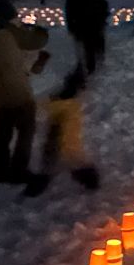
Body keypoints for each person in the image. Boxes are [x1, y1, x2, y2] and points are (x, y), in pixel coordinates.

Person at [0, 0, 50, 183]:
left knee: (2, 132)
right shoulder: (10, 33)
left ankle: (1, 171)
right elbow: (38, 41)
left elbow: (18, 62)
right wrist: (39, 29)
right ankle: (19, 170)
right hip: (17, 91)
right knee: (26, 129)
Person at [24, 64, 100, 197]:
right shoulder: (69, 107)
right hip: (65, 144)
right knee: (72, 162)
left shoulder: (58, 103)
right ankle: (91, 184)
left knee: (49, 166)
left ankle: (37, 186)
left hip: (59, 142)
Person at [64, 0, 110, 74]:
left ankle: (90, 65)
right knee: (89, 47)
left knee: (88, 47)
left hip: (88, 27)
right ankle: (90, 66)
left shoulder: (76, 0)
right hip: (88, 27)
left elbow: (70, 15)